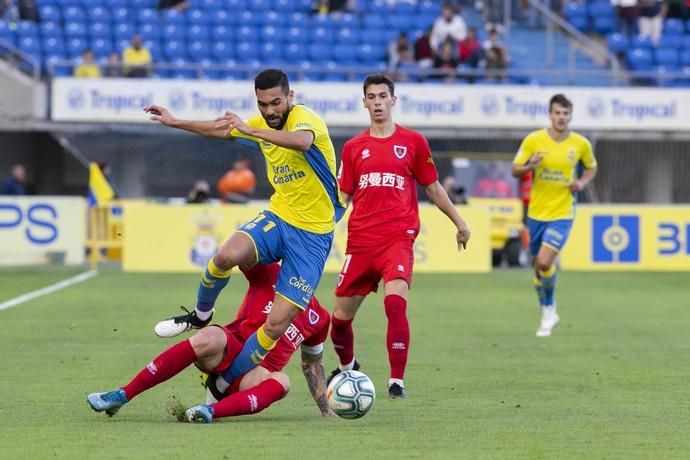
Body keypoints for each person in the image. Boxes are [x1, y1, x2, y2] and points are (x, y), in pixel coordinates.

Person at [144, 69, 344, 399]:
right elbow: (222, 129)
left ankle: (223, 384)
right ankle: (201, 315)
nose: (270, 110)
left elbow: (302, 141)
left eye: (276, 102)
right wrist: (176, 121)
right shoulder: (262, 123)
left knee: (276, 325)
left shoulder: (304, 118)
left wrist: (253, 129)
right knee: (226, 256)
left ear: (290, 97)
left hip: (312, 235)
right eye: (263, 104)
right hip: (279, 218)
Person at [329, 74, 471, 399]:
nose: (377, 102)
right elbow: (343, 198)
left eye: (383, 96)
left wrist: (459, 222)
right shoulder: (353, 148)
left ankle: (396, 382)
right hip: (361, 242)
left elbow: (433, 187)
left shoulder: (413, 142)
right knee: (339, 319)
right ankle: (348, 366)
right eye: (371, 97)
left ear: (394, 100)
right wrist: (320, 229)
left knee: (394, 303)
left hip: (397, 239)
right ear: (364, 102)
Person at [86, 263, 333, 423]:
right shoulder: (271, 274)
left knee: (282, 380)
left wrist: (326, 409)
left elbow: (312, 365)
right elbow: (239, 255)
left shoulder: (320, 318)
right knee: (209, 336)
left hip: (253, 376)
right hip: (229, 350)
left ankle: (210, 411)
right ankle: (122, 394)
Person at [511, 94, 597, 337]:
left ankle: (549, 309)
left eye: (565, 114)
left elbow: (592, 166)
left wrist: (581, 182)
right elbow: (515, 169)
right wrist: (530, 166)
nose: (561, 118)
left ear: (570, 116)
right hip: (537, 212)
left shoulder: (581, 144)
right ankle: (547, 310)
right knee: (539, 268)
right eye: (557, 113)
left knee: (544, 262)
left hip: (563, 211)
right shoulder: (534, 140)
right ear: (550, 114)